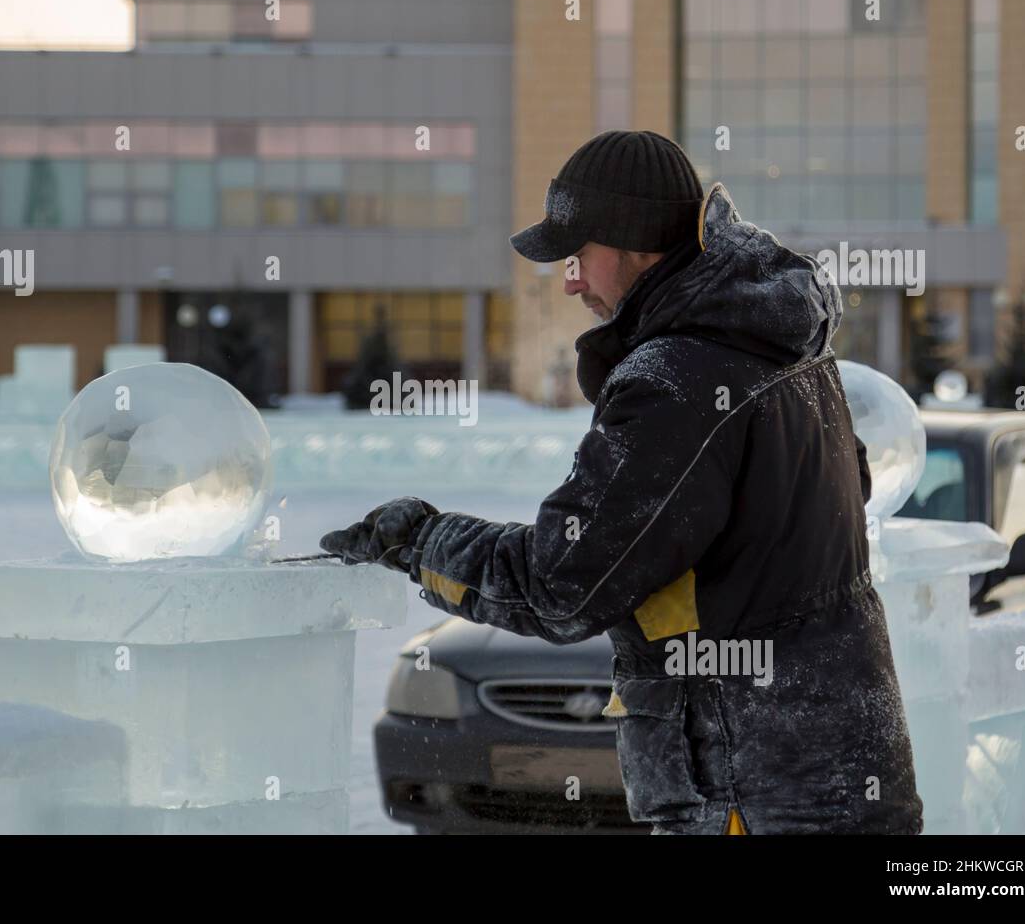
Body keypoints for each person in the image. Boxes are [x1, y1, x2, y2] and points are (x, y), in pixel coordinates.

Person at [321, 130, 923, 835]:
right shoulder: (782, 346)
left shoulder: (680, 378)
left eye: (577, 256)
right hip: (842, 773)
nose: (570, 279)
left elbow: (562, 584)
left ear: (635, 244)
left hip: (750, 793)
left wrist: (421, 540)